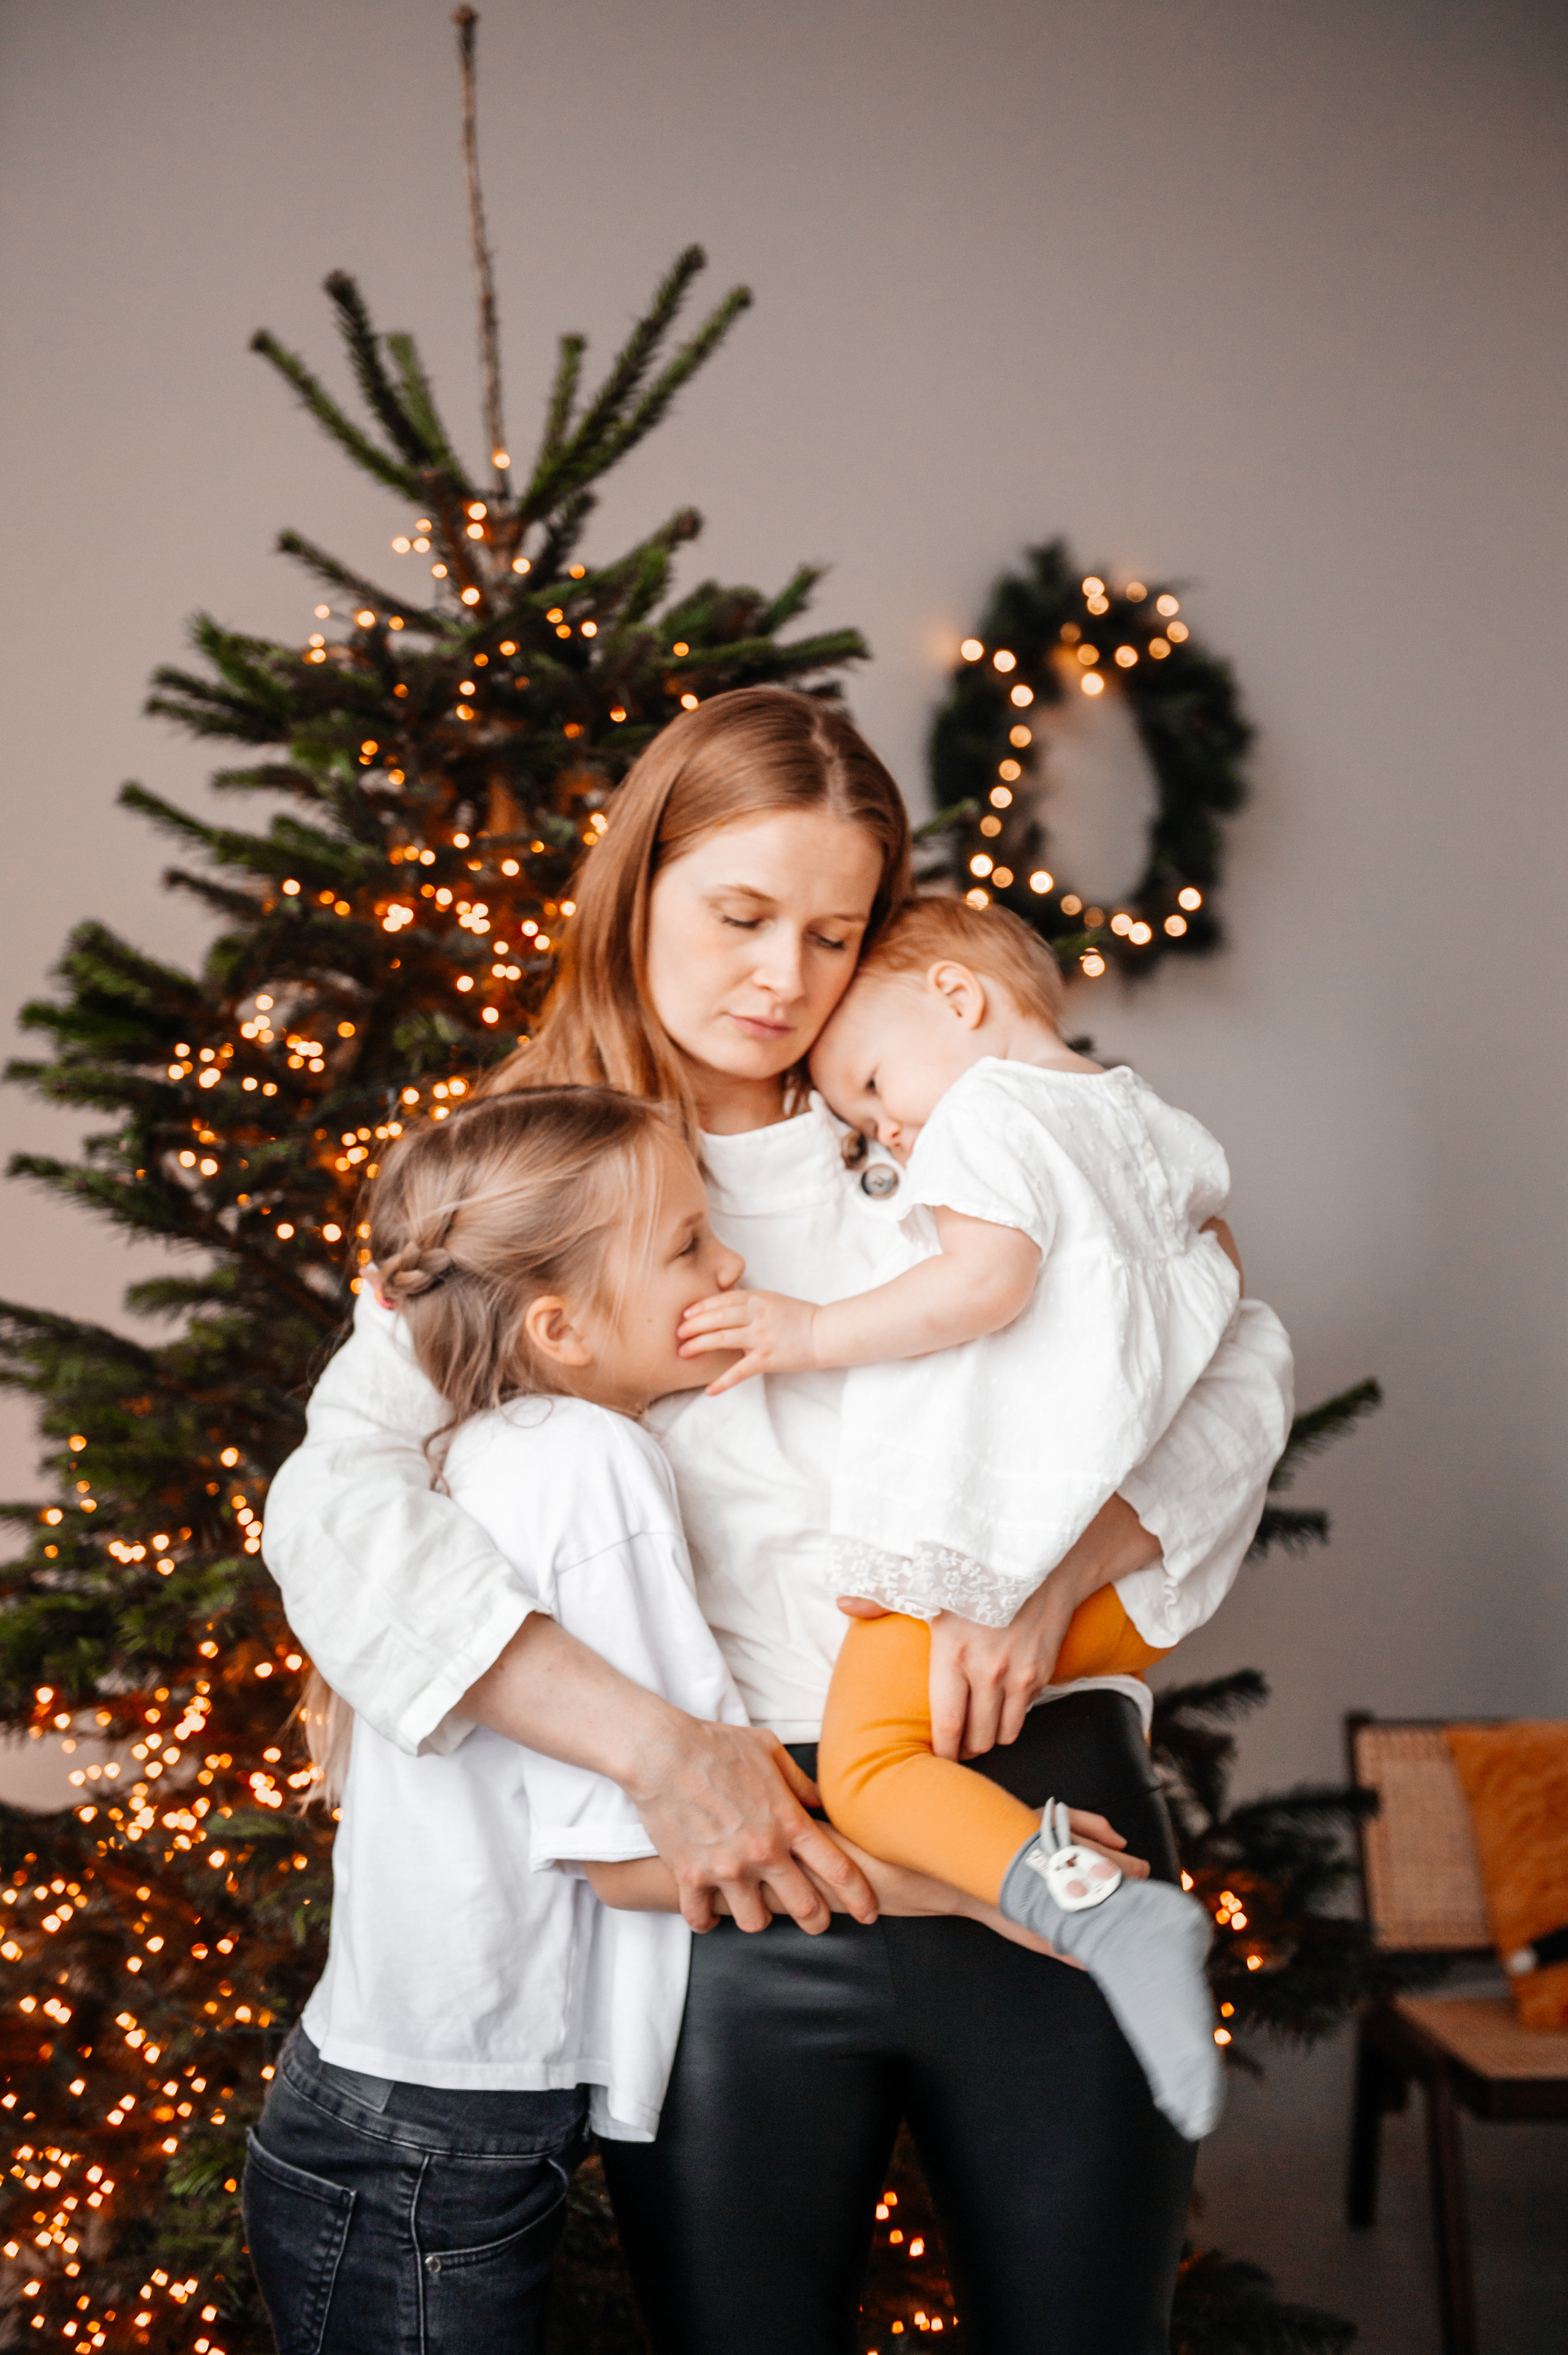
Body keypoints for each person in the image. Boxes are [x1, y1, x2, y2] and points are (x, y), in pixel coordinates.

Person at [261, 687, 1294, 2353]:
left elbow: (1238, 1348)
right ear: (637, 892)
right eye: (739, 917)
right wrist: (663, 1748)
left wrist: (1053, 1575)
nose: (785, 982)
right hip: (737, 1866)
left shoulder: (956, 1117)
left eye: (835, 932)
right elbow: (333, 1501)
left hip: (1042, 1803)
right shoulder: (533, 1183)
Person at [246, 1080, 1137, 2351]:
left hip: (408, 2122)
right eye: (683, 1246)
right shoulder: (584, 1468)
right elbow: (641, 1860)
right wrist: (995, 1883)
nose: (729, 1265)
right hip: (430, 2151)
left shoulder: (497, 1444)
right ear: (555, 1327)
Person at [676, 891, 1255, 2139]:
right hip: (1121, 1607)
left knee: (876, 1774)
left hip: (979, 1560)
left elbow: (984, 1284)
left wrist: (806, 1332)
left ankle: (1099, 1908)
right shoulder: (1148, 1122)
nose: (886, 1130)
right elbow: (1223, 1287)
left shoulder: (989, 1109)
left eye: (875, 1083)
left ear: (957, 996)